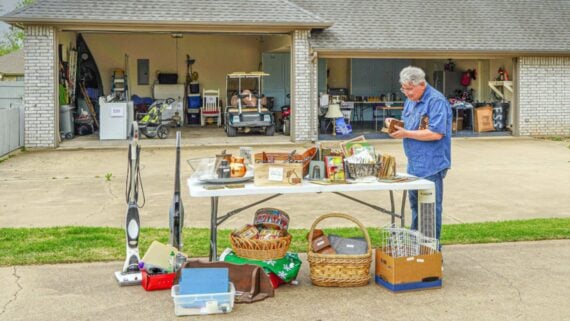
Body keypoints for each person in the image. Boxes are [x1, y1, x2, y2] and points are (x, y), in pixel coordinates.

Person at [385, 66, 452, 243]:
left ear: (421, 84)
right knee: (416, 208)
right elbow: (409, 125)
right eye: (403, 88)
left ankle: (431, 253)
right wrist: (395, 124)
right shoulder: (411, 100)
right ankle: (416, 252)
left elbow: (436, 133)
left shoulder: (436, 101)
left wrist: (406, 133)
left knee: (429, 211)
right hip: (414, 164)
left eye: (409, 89)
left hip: (432, 165)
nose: (406, 93)